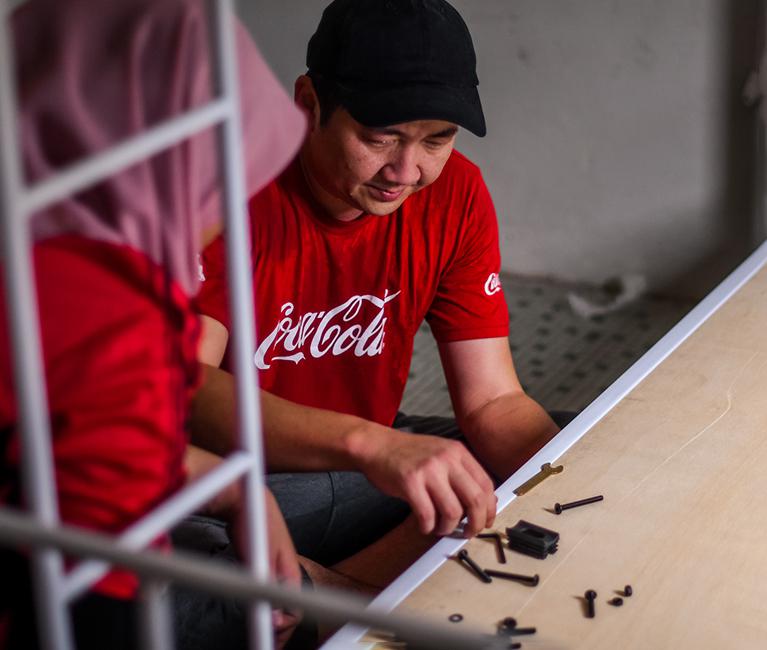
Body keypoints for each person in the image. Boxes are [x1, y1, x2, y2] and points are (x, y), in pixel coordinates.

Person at [192, 0, 568, 590]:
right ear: (308, 103)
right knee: (183, 575)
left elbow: (493, 401)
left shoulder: (457, 194)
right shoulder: (228, 188)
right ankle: (326, 593)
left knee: (572, 446)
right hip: (233, 480)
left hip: (370, 465)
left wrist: (582, 483)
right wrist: (370, 445)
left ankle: (333, 591)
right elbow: (184, 392)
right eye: (380, 137)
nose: (406, 172)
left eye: (436, 141)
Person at [0, 0, 305, 648]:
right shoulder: (111, 316)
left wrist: (235, 491)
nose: (232, 208)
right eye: (226, 178)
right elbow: (93, 609)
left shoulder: (32, 250)